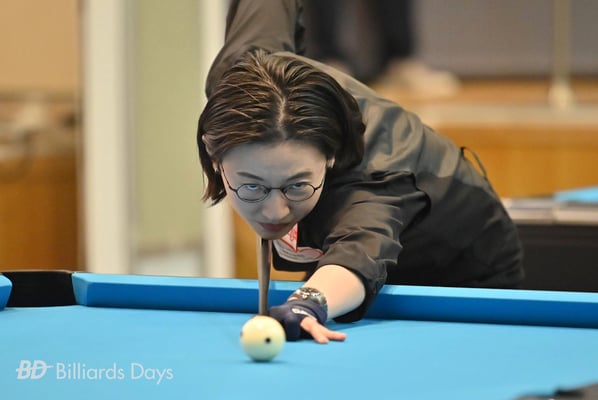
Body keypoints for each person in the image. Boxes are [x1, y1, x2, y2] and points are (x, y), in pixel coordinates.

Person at [197, 0, 524, 344]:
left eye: (296, 186)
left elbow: (357, 253)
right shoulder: (239, 83)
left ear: (330, 157)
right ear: (213, 152)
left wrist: (308, 304)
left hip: (459, 278)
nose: (275, 212)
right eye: (252, 187)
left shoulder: (372, 185)